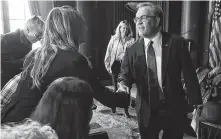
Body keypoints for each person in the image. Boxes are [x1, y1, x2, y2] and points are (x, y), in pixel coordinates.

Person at [1, 6, 129, 124]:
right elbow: (101, 94)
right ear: (72, 29)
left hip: (11, 119)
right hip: (31, 126)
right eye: (82, 25)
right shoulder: (73, 60)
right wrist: (123, 96)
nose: (86, 28)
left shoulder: (37, 53)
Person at [117, 2, 202, 139]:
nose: (138, 23)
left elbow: (189, 74)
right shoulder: (131, 49)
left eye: (143, 18)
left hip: (174, 108)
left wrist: (196, 102)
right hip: (146, 110)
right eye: (136, 19)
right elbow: (125, 75)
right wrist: (123, 86)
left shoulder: (176, 43)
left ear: (157, 20)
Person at [1, 16, 45, 88]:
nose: (39, 39)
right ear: (27, 30)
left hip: (19, 78)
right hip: (6, 81)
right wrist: (26, 60)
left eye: (41, 36)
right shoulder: (7, 39)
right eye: (37, 35)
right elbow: (4, 64)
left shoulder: (28, 40)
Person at [104, 20, 134, 93]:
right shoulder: (114, 39)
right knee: (116, 89)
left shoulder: (132, 40)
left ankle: (126, 103)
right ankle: (117, 103)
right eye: (123, 28)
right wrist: (108, 66)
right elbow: (108, 52)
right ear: (119, 28)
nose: (125, 30)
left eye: (127, 29)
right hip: (116, 65)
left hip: (126, 65)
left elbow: (133, 55)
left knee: (126, 87)